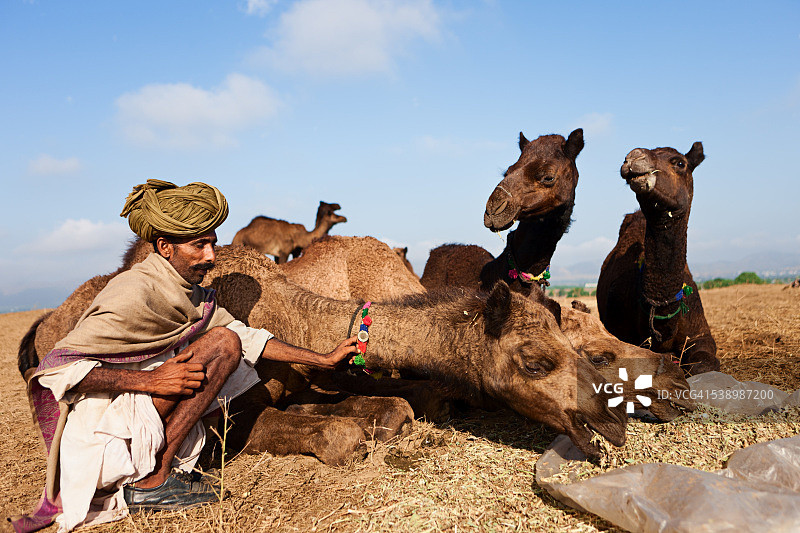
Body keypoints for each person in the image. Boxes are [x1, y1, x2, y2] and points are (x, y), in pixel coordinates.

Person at [14, 180, 358, 533]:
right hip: (103, 440)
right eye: (199, 245)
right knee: (222, 343)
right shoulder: (134, 291)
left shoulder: (190, 295)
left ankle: (155, 474)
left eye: (213, 243)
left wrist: (322, 360)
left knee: (227, 340)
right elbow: (59, 367)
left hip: (138, 422)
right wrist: (150, 380)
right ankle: (154, 481)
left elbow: (247, 336)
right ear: (164, 247)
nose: (211, 256)